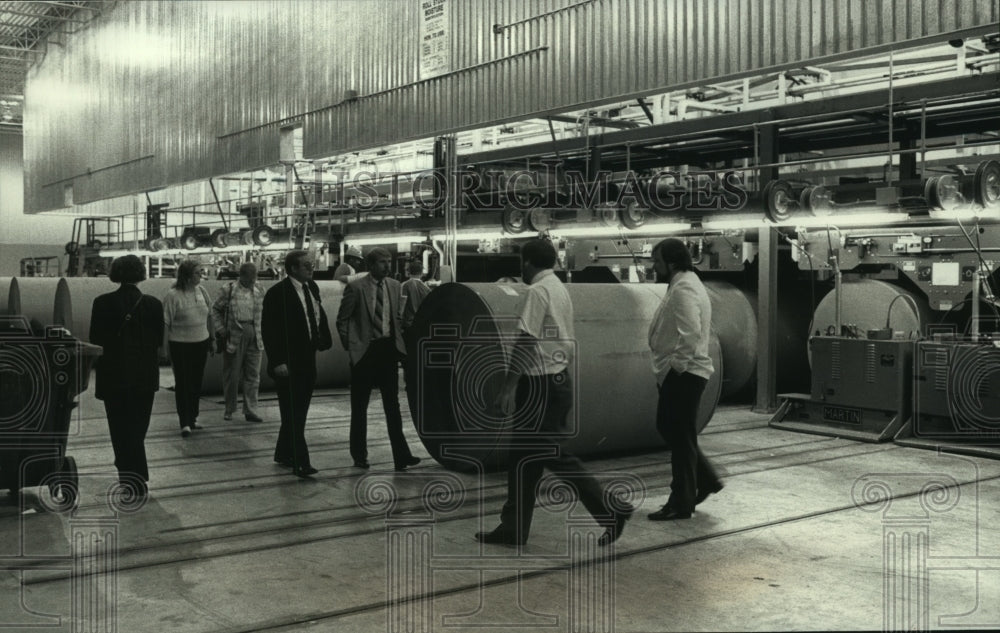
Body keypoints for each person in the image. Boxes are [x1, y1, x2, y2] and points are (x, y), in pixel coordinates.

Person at [476, 238, 632, 547]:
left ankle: (609, 508)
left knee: (550, 454)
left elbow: (526, 340)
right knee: (523, 458)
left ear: (528, 263)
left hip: (540, 386)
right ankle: (513, 527)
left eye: (523, 263)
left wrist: (508, 386)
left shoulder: (537, 291)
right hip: (557, 381)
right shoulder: (559, 288)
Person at [647, 238, 723, 521]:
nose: (654, 267)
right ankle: (702, 483)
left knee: (677, 434)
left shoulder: (684, 288)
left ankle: (681, 501)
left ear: (671, 262)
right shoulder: (684, 283)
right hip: (686, 372)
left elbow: (690, 333)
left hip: (685, 374)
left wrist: (673, 369)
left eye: (657, 261)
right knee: (677, 433)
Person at [336, 247, 420, 471]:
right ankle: (359, 455)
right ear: (370, 265)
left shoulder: (394, 286)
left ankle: (401, 455)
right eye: (382, 262)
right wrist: (352, 349)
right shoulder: (355, 288)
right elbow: (342, 321)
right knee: (359, 406)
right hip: (365, 352)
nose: (387, 266)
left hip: (387, 351)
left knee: (392, 405)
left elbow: (397, 318)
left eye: (388, 262)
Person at [90, 255, 164, 498]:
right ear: (141, 273)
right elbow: (158, 341)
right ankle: (136, 476)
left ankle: (130, 477)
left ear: (116, 273)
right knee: (138, 427)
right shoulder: (153, 304)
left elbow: (96, 340)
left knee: (120, 427)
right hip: (145, 375)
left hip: (114, 375)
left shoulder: (102, 303)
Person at [262, 250, 333, 478]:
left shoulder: (311, 288)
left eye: (311, 265)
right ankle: (300, 461)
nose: (311, 269)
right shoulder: (277, 293)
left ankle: (283, 452)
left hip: (307, 356)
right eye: (306, 266)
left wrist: (323, 339)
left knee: (298, 410)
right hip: (288, 361)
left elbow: (316, 313)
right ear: (293, 268)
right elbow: (269, 330)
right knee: (293, 411)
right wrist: (277, 361)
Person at [163, 259, 215, 438]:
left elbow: (210, 316)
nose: (201, 275)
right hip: (180, 344)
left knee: (196, 382)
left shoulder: (202, 291)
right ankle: (184, 421)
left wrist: (213, 339)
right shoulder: (173, 295)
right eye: (197, 273)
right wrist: (164, 348)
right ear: (186, 275)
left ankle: (193, 417)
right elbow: (166, 323)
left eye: (201, 272)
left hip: (201, 342)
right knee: (183, 383)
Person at [212, 262, 265, 423]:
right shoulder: (228, 290)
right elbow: (215, 310)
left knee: (253, 375)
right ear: (241, 276)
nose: (252, 282)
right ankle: (229, 409)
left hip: (255, 334)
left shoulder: (259, 289)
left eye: (254, 278)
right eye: (249, 278)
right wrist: (221, 330)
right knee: (232, 374)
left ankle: (251, 410)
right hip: (234, 335)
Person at [400, 259, 431, 332]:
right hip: (422, 324)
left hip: (408, 325)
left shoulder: (404, 285)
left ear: (409, 272)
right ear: (421, 273)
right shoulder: (426, 288)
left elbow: (401, 307)